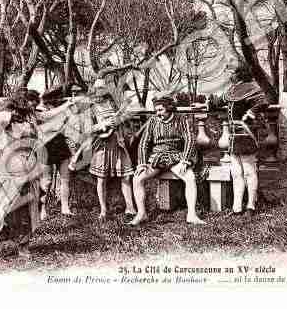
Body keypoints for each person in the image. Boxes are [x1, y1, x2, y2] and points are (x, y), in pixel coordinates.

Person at [0, 95, 42, 265]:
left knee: (27, 211)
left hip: (29, 172)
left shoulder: (31, 124)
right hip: (10, 173)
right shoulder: (6, 122)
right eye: (29, 107)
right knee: (3, 210)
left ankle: (23, 246)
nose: (32, 109)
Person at [131, 94, 205, 226]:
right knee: (137, 178)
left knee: (190, 177)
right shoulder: (153, 121)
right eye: (156, 110)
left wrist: (185, 160)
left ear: (169, 108)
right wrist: (142, 163)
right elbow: (144, 143)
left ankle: (192, 215)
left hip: (175, 157)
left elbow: (190, 139)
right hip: (157, 158)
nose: (158, 113)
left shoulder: (182, 119)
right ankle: (141, 214)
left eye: (161, 110)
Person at [208, 65, 269, 217]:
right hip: (234, 136)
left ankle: (251, 206)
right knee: (236, 173)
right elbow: (218, 102)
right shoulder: (232, 90)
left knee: (249, 171)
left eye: (232, 72)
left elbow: (264, 102)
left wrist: (251, 113)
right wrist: (207, 103)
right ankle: (237, 208)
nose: (230, 75)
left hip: (247, 134)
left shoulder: (251, 87)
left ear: (239, 74)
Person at [84, 78, 136, 221]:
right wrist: (103, 124)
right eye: (97, 90)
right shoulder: (91, 108)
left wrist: (119, 119)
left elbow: (128, 115)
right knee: (102, 179)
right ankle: (103, 210)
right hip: (102, 145)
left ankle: (130, 208)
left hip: (118, 142)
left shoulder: (113, 103)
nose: (99, 93)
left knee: (126, 176)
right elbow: (87, 129)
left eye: (102, 89)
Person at [38, 86, 74, 217]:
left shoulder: (60, 109)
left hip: (60, 145)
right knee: (46, 181)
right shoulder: (39, 111)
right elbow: (46, 127)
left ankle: (65, 207)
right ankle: (42, 210)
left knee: (65, 178)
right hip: (46, 146)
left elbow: (66, 127)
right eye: (53, 97)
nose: (55, 100)